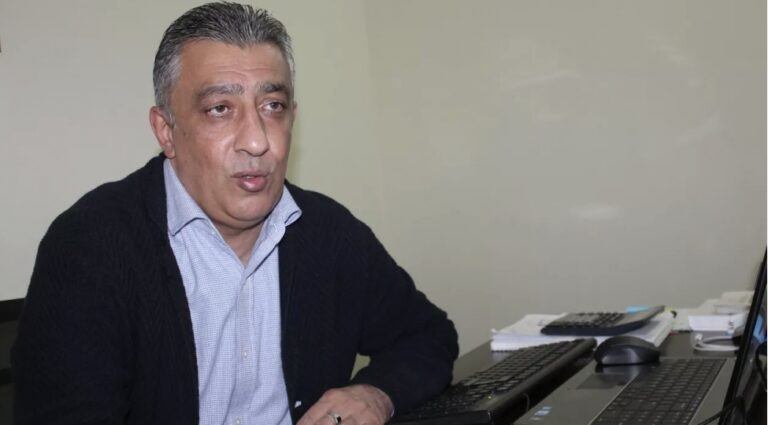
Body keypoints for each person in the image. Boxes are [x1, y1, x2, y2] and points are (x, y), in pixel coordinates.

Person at [11, 3, 458, 425]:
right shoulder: (90, 247)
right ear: (166, 131)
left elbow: (428, 336)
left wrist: (374, 393)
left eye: (272, 106)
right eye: (220, 109)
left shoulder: (327, 232)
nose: (257, 141)